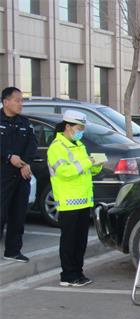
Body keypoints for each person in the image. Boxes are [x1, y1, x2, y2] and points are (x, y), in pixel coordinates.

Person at [47, 110, 104, 287]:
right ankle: (68, 275)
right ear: (68, 127)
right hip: (68, 201)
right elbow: (65, 172)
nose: (81, 132)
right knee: (70, 241)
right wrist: (88, 162)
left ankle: (78, 273)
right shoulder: (57, 147)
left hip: (83, 199)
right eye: (79, 128)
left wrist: (96, 165)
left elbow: (84, 170)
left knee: (80, 241)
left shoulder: (78, 144)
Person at [1, 87, 37, 263]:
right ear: (6, 101)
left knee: (18, 214)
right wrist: (8, 157)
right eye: (17, 100)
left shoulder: (25, 123)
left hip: (22, 174)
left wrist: (25, 163)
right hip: (3, 175)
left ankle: (13, 251)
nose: (20, 104)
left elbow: (32, 145)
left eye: (22, 100)